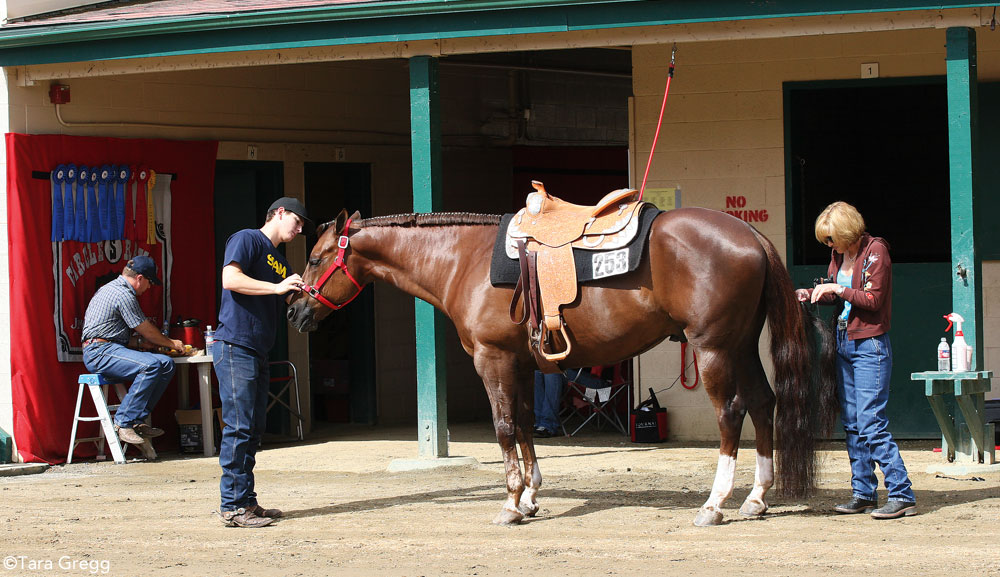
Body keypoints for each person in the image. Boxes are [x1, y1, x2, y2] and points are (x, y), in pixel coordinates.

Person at [795, 201, 916, 520]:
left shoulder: (876, 251)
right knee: (852, 423)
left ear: (847, 231)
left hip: (870, 344)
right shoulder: (839, 255)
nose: (829, 245)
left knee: (871, 422)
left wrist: (837, 288)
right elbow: (839, 293)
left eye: (831, 238)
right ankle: (863, 492)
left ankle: (902, 493)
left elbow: (874, 299)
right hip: (843, 340)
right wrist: (814, 292)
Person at [212, 197, 311, 528]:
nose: (299, 229)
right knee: (239, 427)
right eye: (296, 221)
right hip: (235, 346)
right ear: (279, 213)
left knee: (253, 430)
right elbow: (231, 279)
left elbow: (289, 296)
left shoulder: (279, 260)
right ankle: (232, 506)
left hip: (257, 350)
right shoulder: (246, 239)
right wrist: (277, 287)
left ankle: (247, 502)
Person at [81, 255, 184, 447]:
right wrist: (172, 343)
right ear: (139, 278)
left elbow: (112, 331)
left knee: (166, 364)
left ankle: (136, 419)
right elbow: (145, 329)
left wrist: (141, 344)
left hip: (108, 346)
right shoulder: (123, 294)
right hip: (98, 351)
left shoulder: (114, 289)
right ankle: (123, 422)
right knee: (152, 365)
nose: (149, 288)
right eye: (150, 282)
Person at [534, 370, 565, 438]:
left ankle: (548, 424)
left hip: (578, 372)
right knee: (536, 372)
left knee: (551, 373)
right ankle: (537, 422)